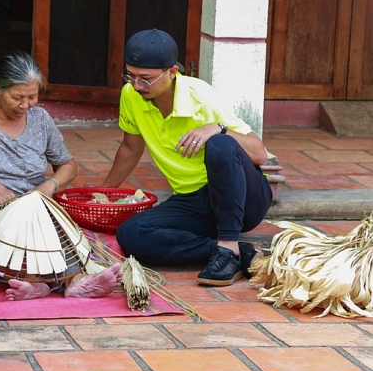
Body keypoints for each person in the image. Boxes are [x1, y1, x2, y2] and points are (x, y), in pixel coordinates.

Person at [101, 29, 273, 287]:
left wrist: (217, 127)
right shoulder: (131, 95)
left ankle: (228, 248)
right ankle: (234, 251)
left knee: (221, 144)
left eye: (145, 79)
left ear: (171, 72)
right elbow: (130, 148)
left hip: (245, 198)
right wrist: (102, 193)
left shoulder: (201, 96)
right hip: (193, 201)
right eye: (130, 76)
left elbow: (259, 154)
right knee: (131, 234)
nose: (137, 86)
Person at [0, 51, 123, 301]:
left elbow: (68, 165)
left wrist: (49, 185)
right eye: (18, 97)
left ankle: (70, 282)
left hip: (34, 206)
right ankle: (44, 283)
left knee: (56, 231)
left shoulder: (40, 119)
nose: (26, 105)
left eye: (33, 97)